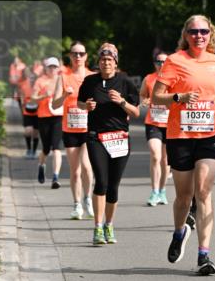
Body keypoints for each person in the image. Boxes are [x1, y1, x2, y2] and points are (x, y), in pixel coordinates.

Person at [152, 15, 215, 275]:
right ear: (186, 34)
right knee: (184, 197)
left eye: (204, 31)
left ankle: (204, 256)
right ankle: (179, 231)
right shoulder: (174, 61)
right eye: (194, 31)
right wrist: (179, 97)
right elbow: (156, 97)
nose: (199, 36)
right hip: (181, 136)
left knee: (203, 191)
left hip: (212, 133)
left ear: (211, 34)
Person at [77, 43, 140, 245]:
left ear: (115, 62)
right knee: (101, 182)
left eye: (110, 59)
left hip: (119, 138)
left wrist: (122, 102)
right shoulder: (89, 81)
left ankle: (109, 224)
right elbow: (79, 102)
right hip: (96, 137)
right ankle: (97, 227)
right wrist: (85, 106)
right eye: (103, 59)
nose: (106, 62)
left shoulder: (125, 83)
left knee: (113, 186)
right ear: (98, 61)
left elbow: (136, 112)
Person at [50, 42, 95, 220]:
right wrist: (64, 96)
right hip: (70, 128)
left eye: (81, 54)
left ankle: (88, 199)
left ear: (86, 56)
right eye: (74, 54)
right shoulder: (63, 77)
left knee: (86, 166)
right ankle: (77, 205)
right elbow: (54, 104)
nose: (78, 57)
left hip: (88, 127)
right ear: (70, 56)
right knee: (75, 170)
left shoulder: (92, 77)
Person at [140, 52, 171, 206]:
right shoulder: (149, 79)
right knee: (155, 155)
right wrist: (144, 101)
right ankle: (154, 192)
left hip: (170, 123)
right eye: (158, 62)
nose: (161, 64)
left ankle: (162, 190)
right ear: (154, 63)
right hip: (153, 122)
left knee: (166, 160)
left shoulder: (174, 79)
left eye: (164, 61)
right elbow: (142, 95)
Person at [32, 58, 63, 187]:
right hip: (44, 117)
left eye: (55, 67)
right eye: (50, 67)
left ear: (58, 68)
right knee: (45, 148)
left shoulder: (61, 80)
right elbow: (33, 98)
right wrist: (44, 95)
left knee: (56, 147)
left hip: (58, 116)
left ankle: (55, 177)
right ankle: (41, 165)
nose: (52, 69)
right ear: (45, 68)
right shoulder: (40, 81)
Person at [17, 67, 39, 158]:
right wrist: (23, 106)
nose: (32, 79)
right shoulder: (23, 85)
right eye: (30, 78)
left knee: (35, 133)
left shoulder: (39, 85)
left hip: (38, 112)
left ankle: (34, 151)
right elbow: (21, 96)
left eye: (34, 78)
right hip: (27, 111)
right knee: (27, 131)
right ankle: (29, 149)